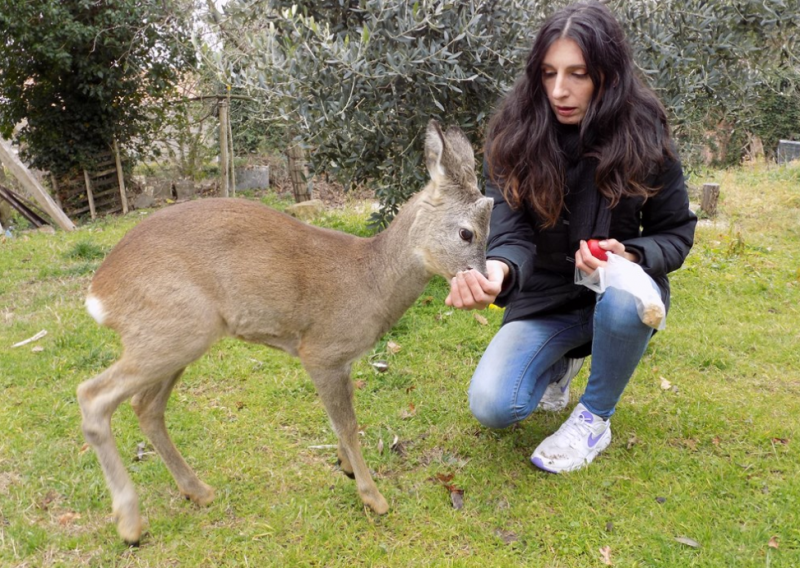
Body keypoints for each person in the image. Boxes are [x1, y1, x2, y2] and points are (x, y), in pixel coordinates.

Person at [446, 1, 697, 473]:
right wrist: (496, 271)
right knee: (492, 405)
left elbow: (676, 232)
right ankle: (561, 363)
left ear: (608, 73)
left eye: (578, 74)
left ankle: (595, 418)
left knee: (623, 300)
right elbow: (509, 225)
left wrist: (632, 255)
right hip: (545, 297)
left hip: (620, 292)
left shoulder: (646, 135)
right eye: (548, 73)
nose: (560, 90)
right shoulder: (513, 135)